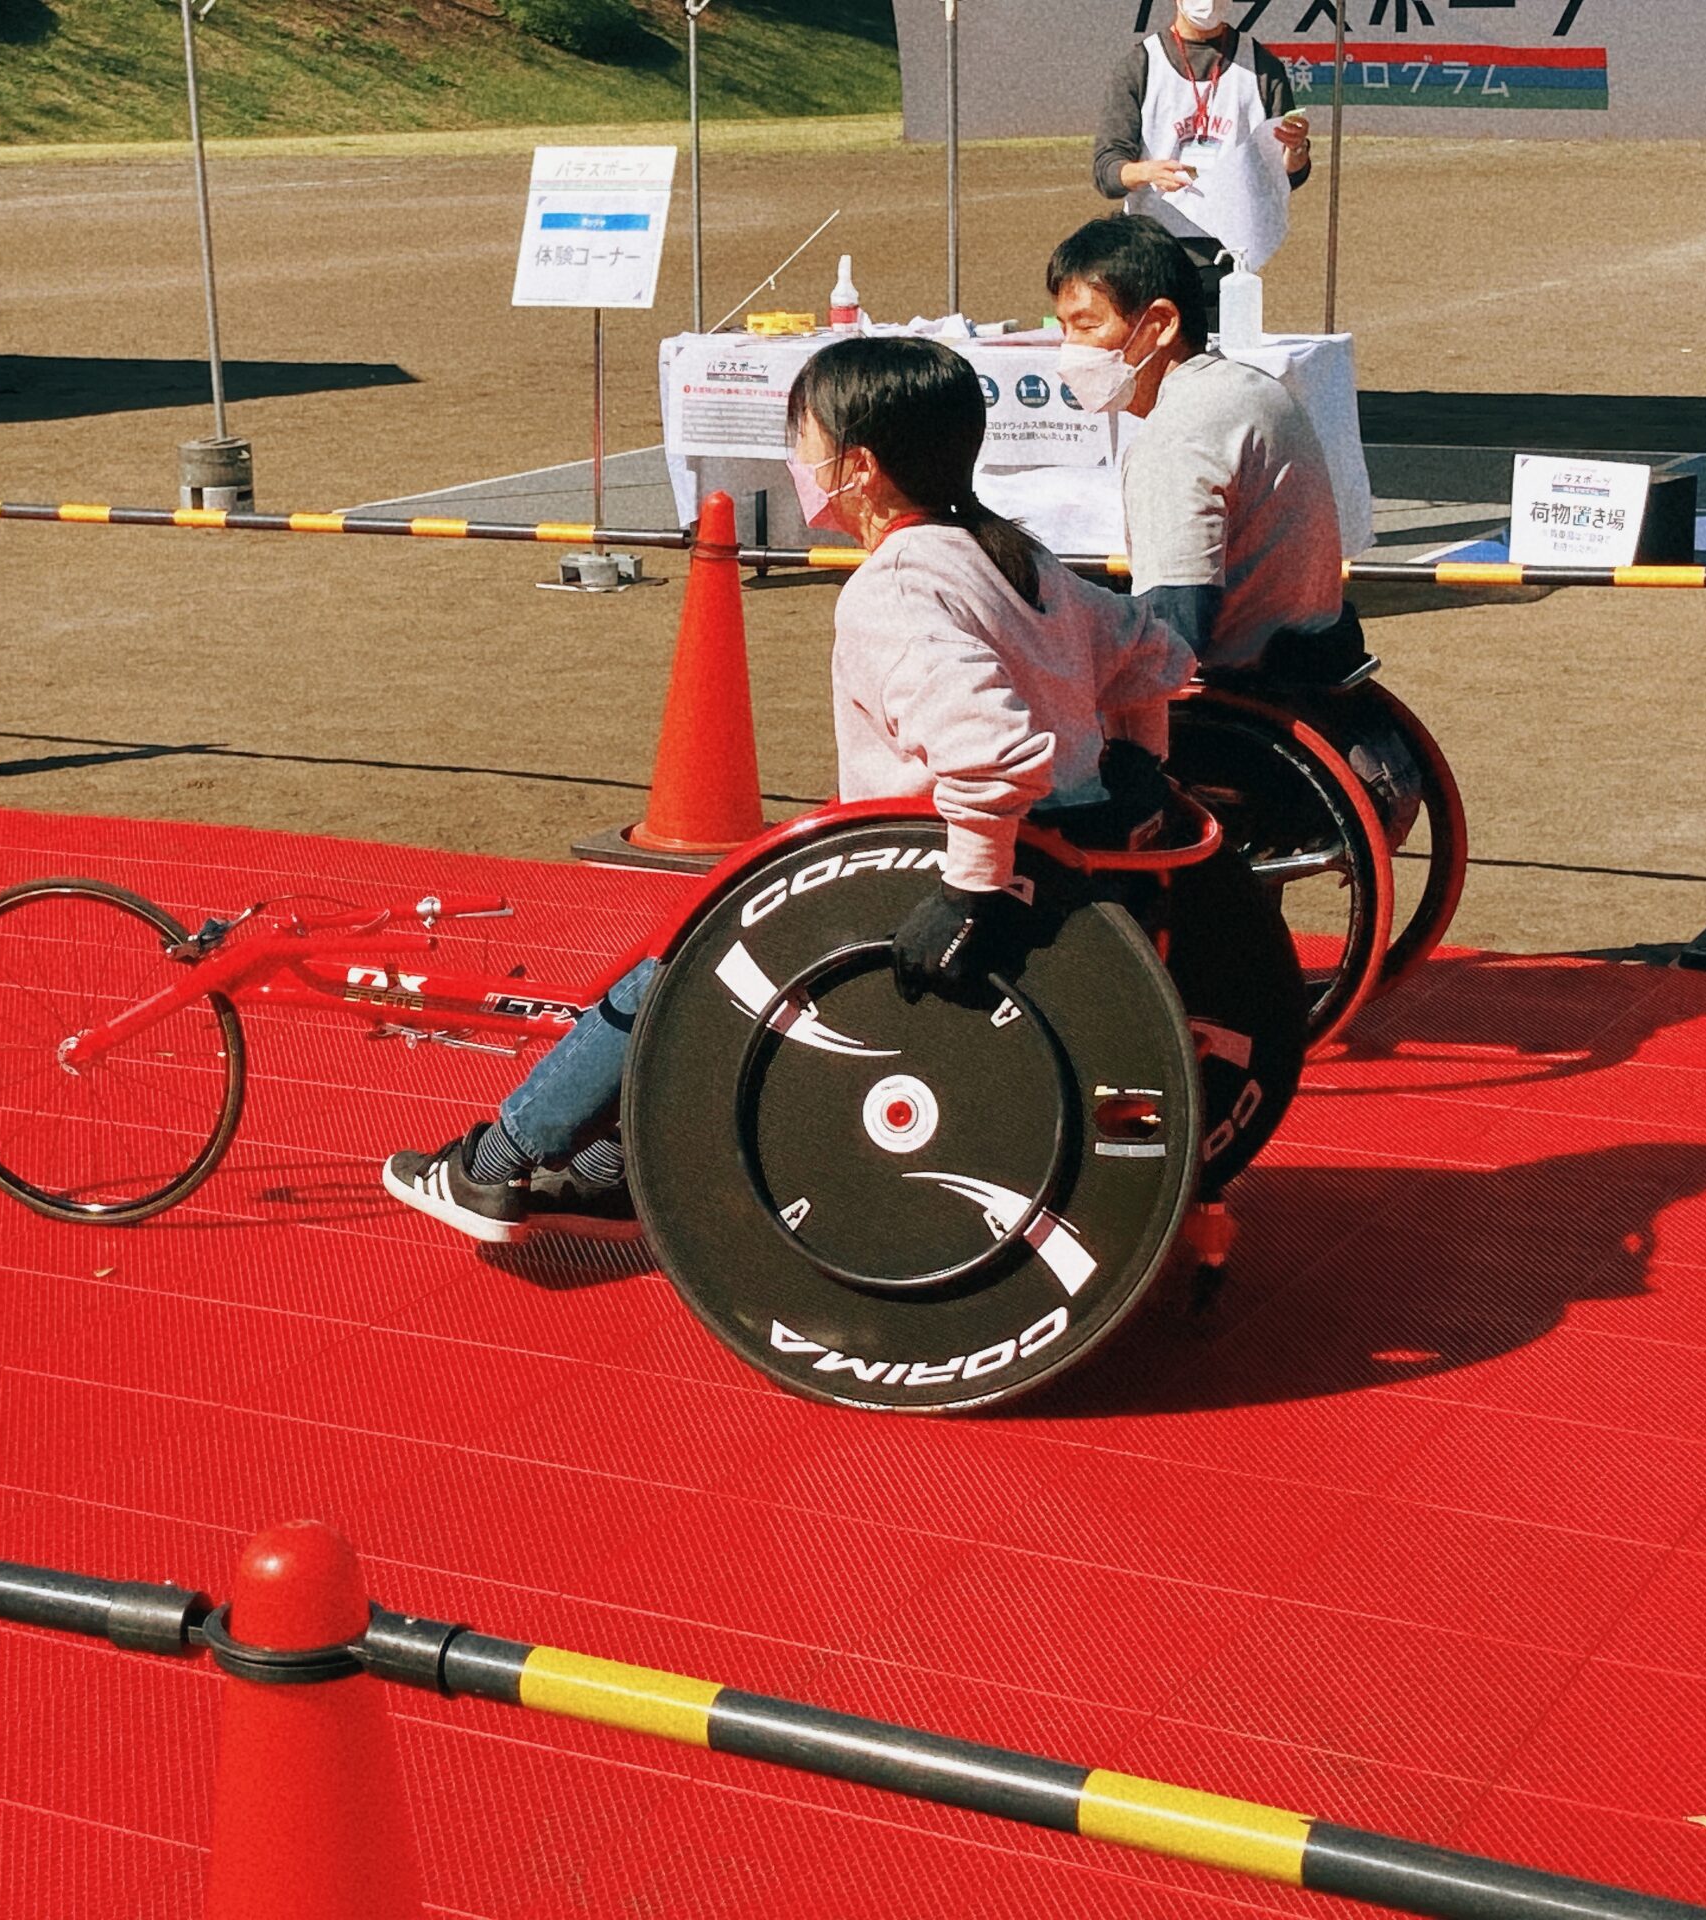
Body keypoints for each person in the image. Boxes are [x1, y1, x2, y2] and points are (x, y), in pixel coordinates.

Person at [381, 335, 1196, 1246]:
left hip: (936, 888)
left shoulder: (894, 589)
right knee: (722, 940)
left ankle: (500, 1158)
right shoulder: (1016, 558)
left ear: (859, 468)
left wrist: (971, 885)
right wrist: (1134, 766)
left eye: (802, 439)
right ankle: (620, 1161)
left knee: (677, 960)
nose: (796, 462)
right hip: (1067, 862)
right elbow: (1156, 653)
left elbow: (993, 750)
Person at [1048, 211, 1347, 676]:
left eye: (1087, 326)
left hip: (1233, 692)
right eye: (1062, 327)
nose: (1069, 350)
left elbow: (1173, 633)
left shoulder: (1180, 434)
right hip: (1304, 654)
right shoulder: (1247, 388)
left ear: (1162, 323)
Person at [1090, 0, 1312, 339]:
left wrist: (1296, 150)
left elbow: (1285, 173)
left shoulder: (1262, 68)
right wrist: (1146, 172)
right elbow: (1107, 170)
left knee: (1224, 367)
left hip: (1230, 254)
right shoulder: (1141, 65)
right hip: (1156, 250)